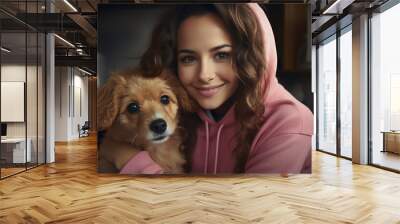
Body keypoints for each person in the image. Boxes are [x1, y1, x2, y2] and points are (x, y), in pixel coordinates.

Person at [121, 3, 313, 174]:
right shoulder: (182, 111)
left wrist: (126, 157)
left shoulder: (290, 121)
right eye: (189, 58)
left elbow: (250, 211)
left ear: (251, 58)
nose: (205, 75)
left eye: (222, 55)